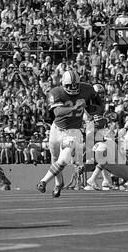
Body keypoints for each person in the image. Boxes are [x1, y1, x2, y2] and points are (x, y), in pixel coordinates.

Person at [36, 70, 102, 198]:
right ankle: (58, 184)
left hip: (73, 131)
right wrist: (75, 108)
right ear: (63, 84)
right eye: (69, 86)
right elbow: (57, 112)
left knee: (64, 159)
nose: (72, 88)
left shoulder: (86, 89)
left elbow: (97, 101)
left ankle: (43, 181)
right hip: (57, 128)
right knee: (54, 159)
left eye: (75, 85)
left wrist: (94, 108)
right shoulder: (56, 92)